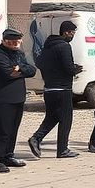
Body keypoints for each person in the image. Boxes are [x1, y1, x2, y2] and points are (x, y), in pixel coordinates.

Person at [28, 20, 81, 159]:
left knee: (53, 117)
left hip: (49, 89)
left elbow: (41, 63)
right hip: (62, 89)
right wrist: (76, 69)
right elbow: (68, 68)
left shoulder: (47, 47)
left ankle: (36, 138)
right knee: (66, 119)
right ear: (66, 32)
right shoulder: (64, 46)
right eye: (72, 33)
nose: (72, 35)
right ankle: (62, 149)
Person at [0, 28, 36, 173]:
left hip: (18, 97)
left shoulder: (19, 54)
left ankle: (8, 155)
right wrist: (21, 70)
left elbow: (32, 70)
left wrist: (20, 68)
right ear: (4, 41)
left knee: (13, 129)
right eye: (12, 42)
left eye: (17, 41)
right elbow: (8, 73)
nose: (15, 44)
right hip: (4, 98)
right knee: (3, 130)